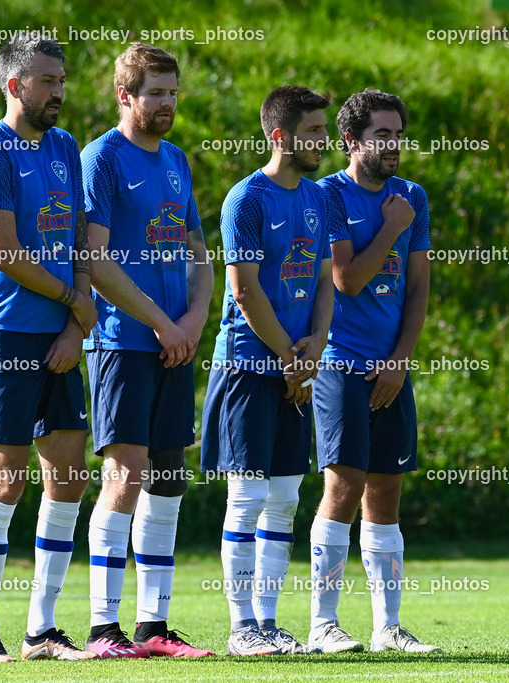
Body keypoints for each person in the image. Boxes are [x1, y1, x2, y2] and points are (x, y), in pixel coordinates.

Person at [0, 33, 98, 663]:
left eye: (61, 80)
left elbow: (79, 240)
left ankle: (41, 630)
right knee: (7, 478)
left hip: (61, 332)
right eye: (47, 80)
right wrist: (72, 301)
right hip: (4, 330)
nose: (59, 91)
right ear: (15, 85)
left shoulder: (66, 146)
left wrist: (75, 324)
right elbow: (5, 254)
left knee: (68, 476)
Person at [80, 42, 215, 659]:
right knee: (125, 475)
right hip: (125, 341)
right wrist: (162, 323)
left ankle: (153, 628)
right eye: (155, 93)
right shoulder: (101, 158)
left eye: (173, 92)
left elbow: (198, 252)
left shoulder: (177, 160)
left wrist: (193, 319)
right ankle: (102, 629)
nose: (167, 103)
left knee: (167, 479)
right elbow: (96, 260)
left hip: (175, 343)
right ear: (124, 95)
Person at [201, 85, 336, 656]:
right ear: (280, 136)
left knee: (284, 497)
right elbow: (244, 289)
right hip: (250, 367)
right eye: (314, 131)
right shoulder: (247, 199)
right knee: (248, 496)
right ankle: (241, 630)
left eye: (325, 129)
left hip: (297, 367)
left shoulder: (319, 198)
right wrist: (289, 357)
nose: (324, 140)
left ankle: (269, 623)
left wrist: (317, 345)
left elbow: (325, 278)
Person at [308, 89, 440, 654]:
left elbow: (418, 286)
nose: (393, 145)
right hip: (339, 363)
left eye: (398, 135)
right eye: (381, 135)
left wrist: (399, 361)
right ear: (350, 141)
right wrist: (390, 229)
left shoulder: (413, 197)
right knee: (343, 487)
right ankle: (322, 624)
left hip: (391, 368)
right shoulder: (327, 196)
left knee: (385, 494)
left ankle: (388, 627)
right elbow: (347, 280)